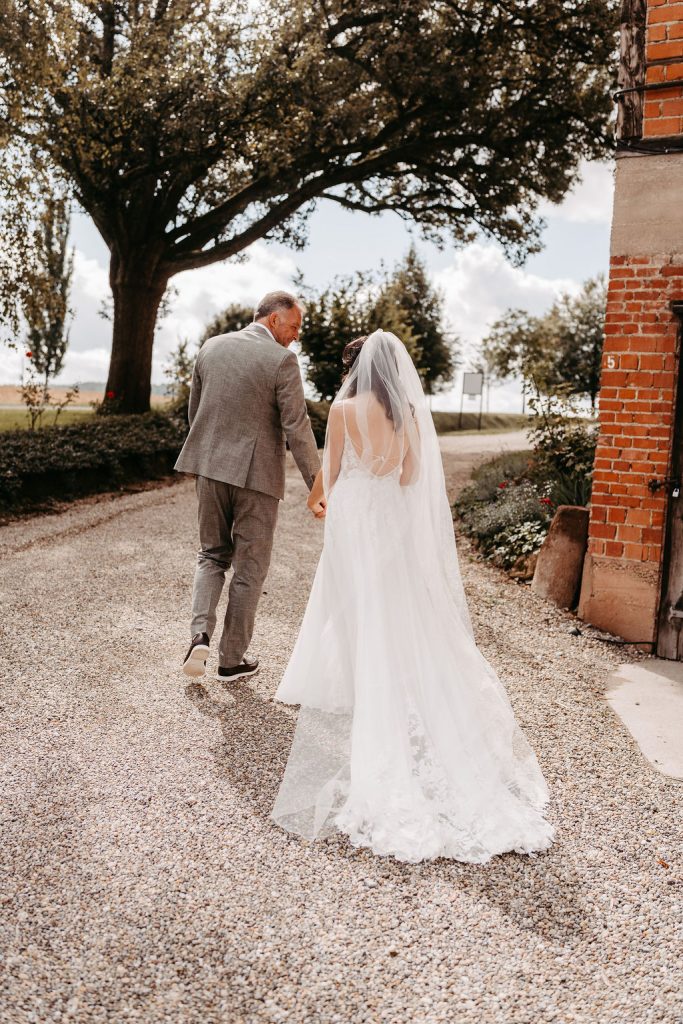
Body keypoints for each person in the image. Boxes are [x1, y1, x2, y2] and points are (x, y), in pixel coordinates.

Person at [271, 330, 555, 864]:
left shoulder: (342, 410)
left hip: (353, 517)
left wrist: (321, 500)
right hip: (388, 516)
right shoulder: (406, 413)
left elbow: (331, 472)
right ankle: (396, 680)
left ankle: (362, 684)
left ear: (359, 369)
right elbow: (412, 475)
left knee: (352, 603)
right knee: (394, 605)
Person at [175, 291, 323, 681]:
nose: (296, 336)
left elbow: (195, 412)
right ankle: (231, 660)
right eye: (294, 326)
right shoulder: (282, 360)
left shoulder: (211, 347)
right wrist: (317, 485)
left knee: (211, 555)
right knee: (250, 567)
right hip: (256, 478)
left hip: (209, 469)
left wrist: (209, 454)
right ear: (274, 319)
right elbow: (297, 426)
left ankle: (199, 635)